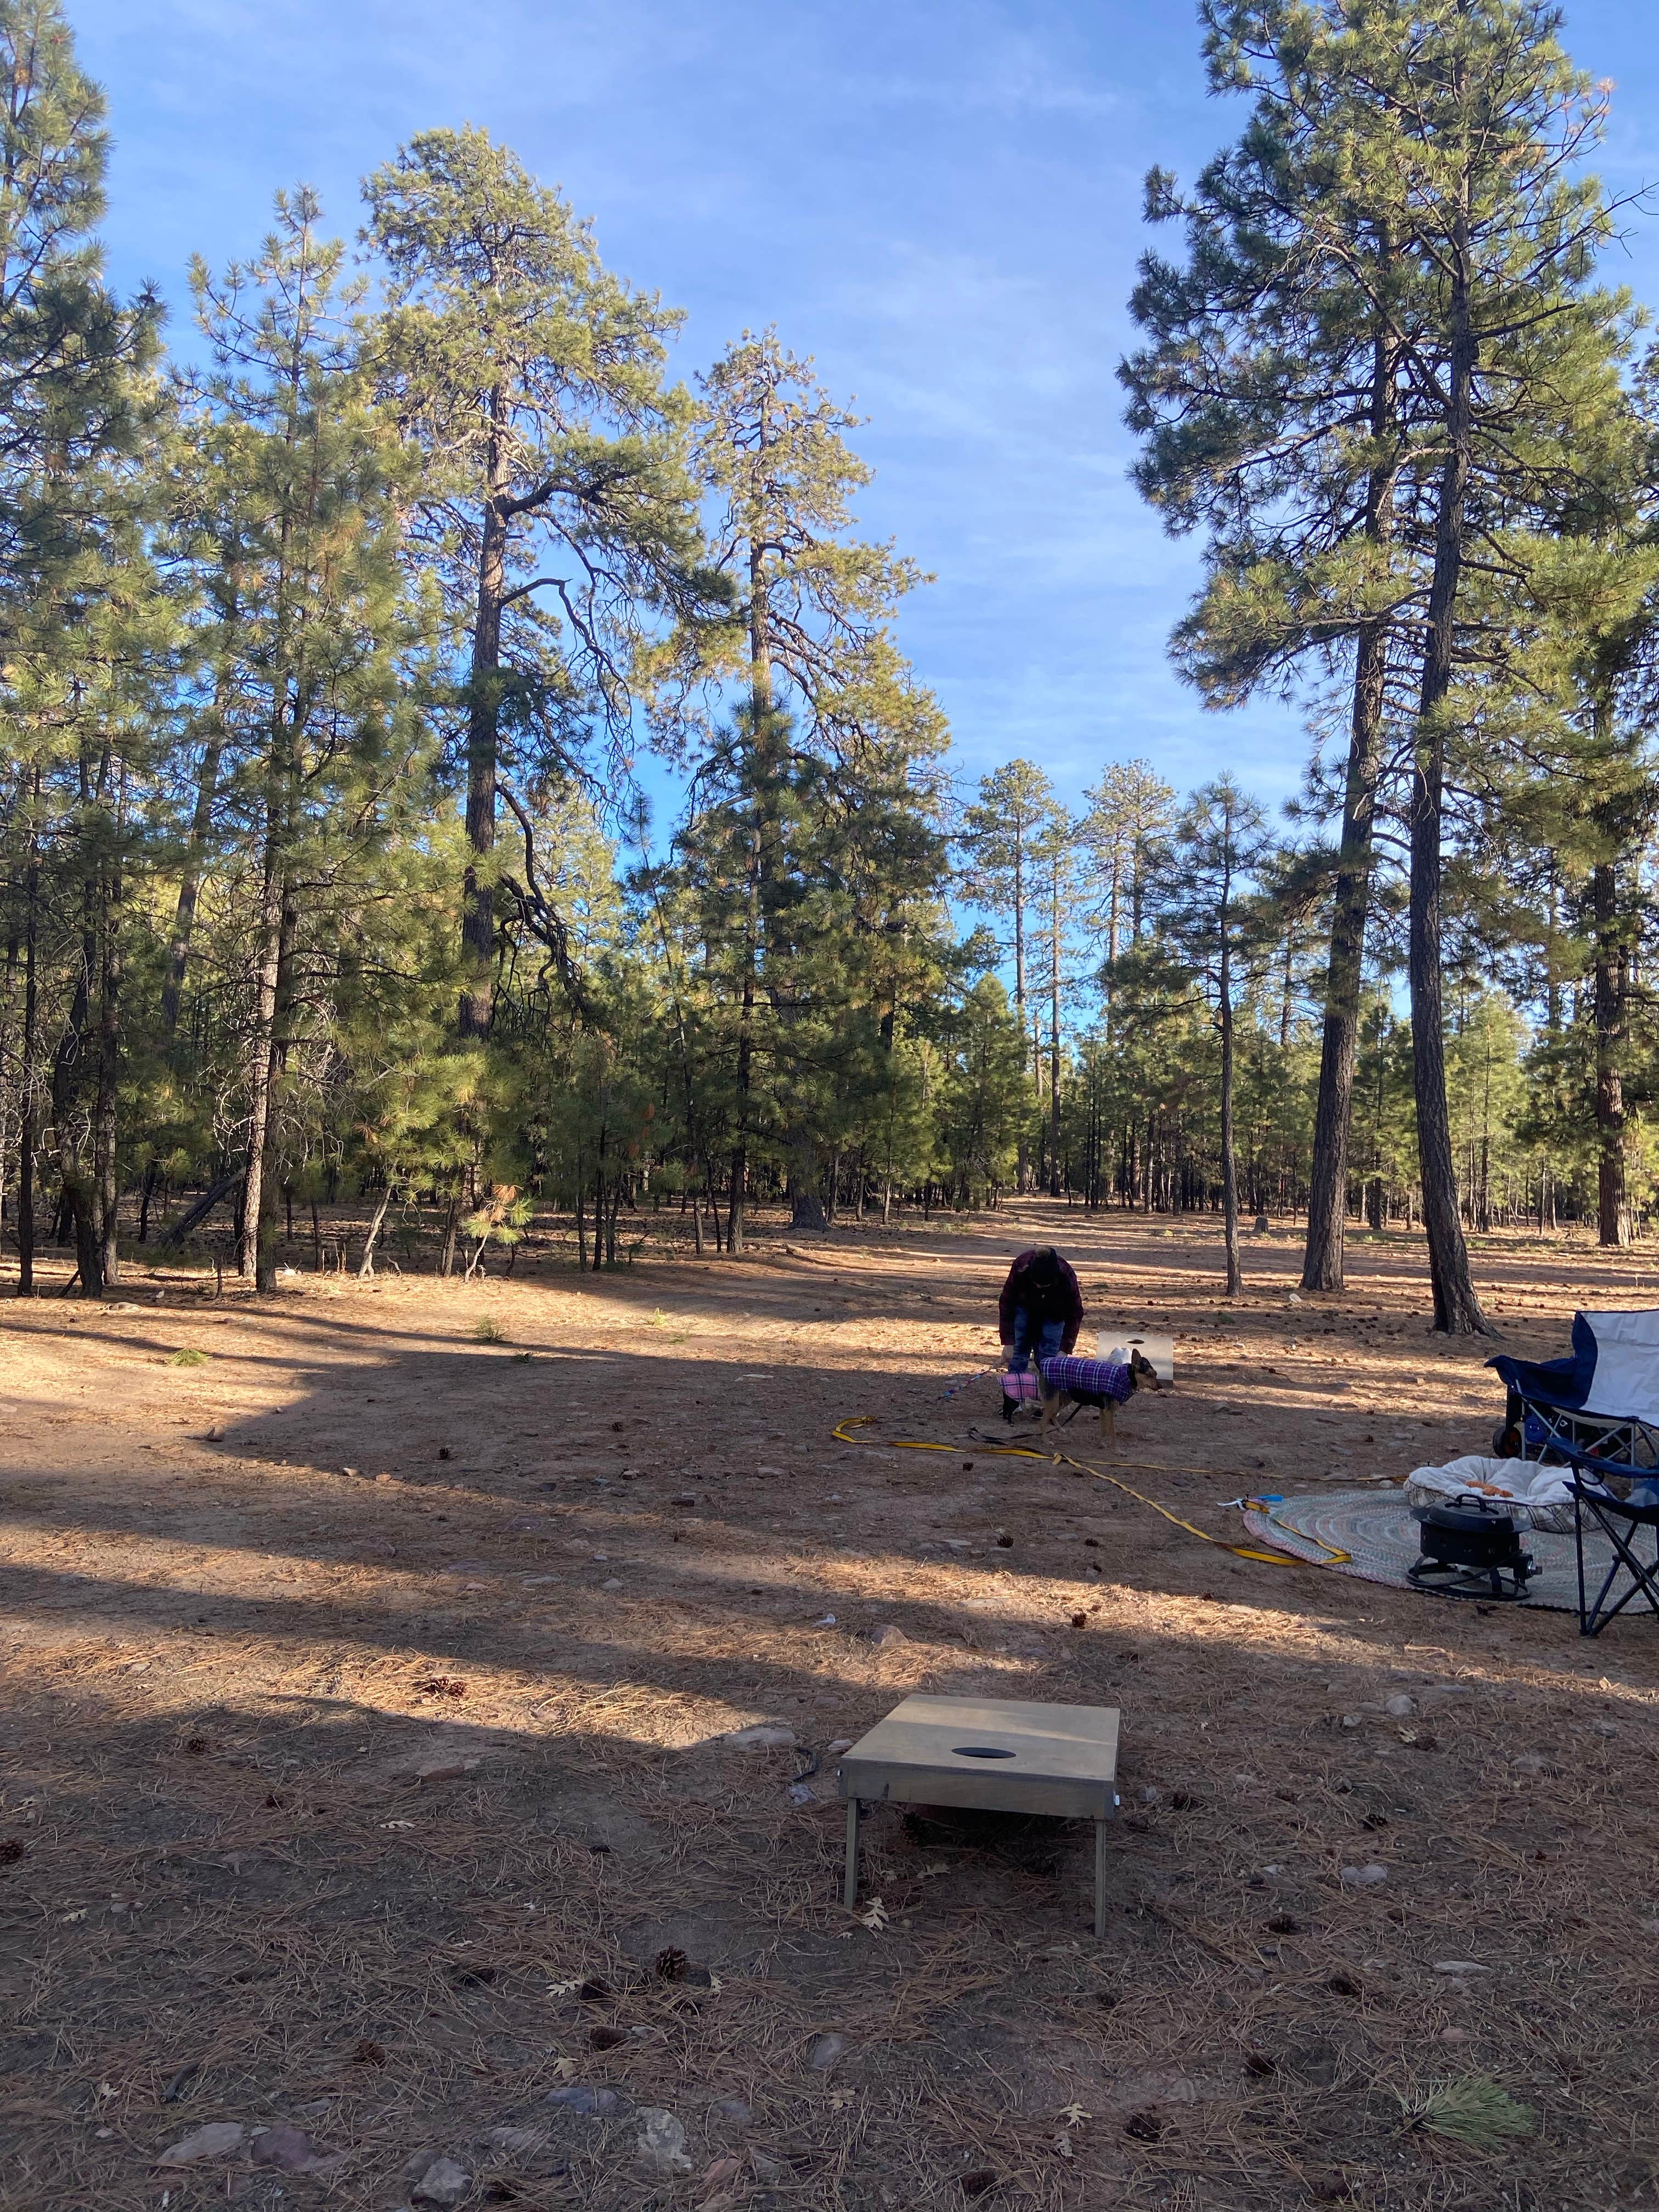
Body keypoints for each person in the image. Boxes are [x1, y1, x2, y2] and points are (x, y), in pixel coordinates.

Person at [998, 1245, 1082, 1376]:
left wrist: (1064, 1350)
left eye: (1043, 1285)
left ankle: (1049, 1384)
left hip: (1055, 1311)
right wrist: (1009, 1343)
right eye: (1036, 1283)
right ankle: (1015, 1383)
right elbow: (1006, 1303)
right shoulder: (1021, 1267)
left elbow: (1075, 1314)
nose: (1039, 1287)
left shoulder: (1066, 1276)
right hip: (1024, 1307)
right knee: (1018, 1348)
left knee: (1051, 1353)